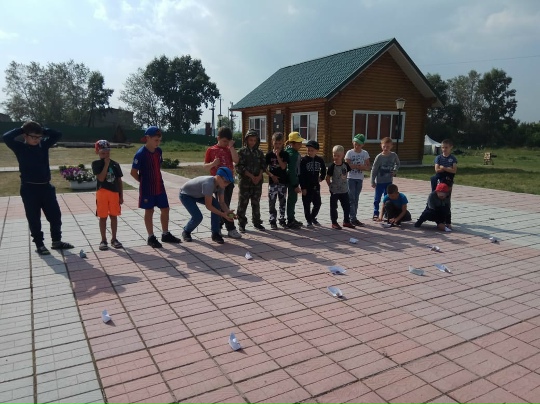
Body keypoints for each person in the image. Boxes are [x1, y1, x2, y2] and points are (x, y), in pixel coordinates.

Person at [3, 121, 74, 255]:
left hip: (46, 188)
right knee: (34, 218)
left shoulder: (43, 145)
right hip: (29, 189)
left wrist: (42, 130)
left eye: (39, 137)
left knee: (55, 216)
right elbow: (6, 137)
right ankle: (39, 244)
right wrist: (22, 129)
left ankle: (56, 241)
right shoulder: (20, 147)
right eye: (33, 137)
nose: (36, 140)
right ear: (25, 136)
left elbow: (57, 134)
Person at [131, 126, 181, 248]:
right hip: (147, 188)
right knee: (149, 210)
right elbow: (133, 172)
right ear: (147, 138)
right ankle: (151, 237)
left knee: (165, 208)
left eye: (159, 140)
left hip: (159, 186)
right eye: (155, 140)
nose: (158, 143)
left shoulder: (159, 151)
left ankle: (165, 234)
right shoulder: (141, 154)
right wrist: (142, 181)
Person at [179, 167, 236, 244]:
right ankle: (186, 231)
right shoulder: (208, 184)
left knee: (216, 205)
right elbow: (208, 206)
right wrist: (222, 214)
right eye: (225, 181)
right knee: (198, 217)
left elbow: (222, 203)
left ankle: (215, 234)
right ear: (218, 177)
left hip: (200, 194)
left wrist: (228, 212)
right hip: (186, 195)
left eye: (229, 182)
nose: (227, 184)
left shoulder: (221, 185)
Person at [204, 126, 242, 239]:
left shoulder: (229, 149)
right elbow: (205, 166)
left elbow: (236, 160)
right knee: (222, 204)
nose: (226, 143)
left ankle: (219, 226)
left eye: (228, 141)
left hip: (228, 183)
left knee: (224, 204)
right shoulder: (211, 150)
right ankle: (230, 228)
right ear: (218, 138)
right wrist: (213, 164)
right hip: (216, 183)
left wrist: (231, 147)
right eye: (224, 141)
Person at [92, 140, 124, 251]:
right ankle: (103, 240)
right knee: (103, 217)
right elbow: (101, 178)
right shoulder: (96, 164)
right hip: (102, 193)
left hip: (114, 193)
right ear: (97, 152)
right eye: (103, 153)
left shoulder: (115, 164)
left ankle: (114, 239)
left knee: (114, 216)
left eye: (107, 152)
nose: (106, 155)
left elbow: (119, 181)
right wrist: (106, 164)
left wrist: (121, 196)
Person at [236, 129, 267, 232]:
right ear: (246, 140)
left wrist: (259, 176)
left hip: (257, 182)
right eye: (250, 140)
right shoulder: (241, 152)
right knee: (243, 203)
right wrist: (251, 176)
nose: (252, 142)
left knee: (256, 202)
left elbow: (263, 165)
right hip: (245, 182)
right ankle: (242, 223)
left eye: (254, 140)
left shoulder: (259, 152)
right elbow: (239, 166)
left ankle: (257, 222)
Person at [370, 137, 400, 221]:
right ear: (381, 146)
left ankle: (387, 213)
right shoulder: (379, 157)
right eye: (384, 146)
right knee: (377, 198)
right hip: (380, 182)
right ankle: (376, 213)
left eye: (388, 146)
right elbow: (374, 169)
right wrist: (372, 181)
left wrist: (395, 170)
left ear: (391, 146)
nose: (386, 148)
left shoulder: (393, 155)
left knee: (388, 198)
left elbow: (397, 163)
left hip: (389, 182)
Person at [326, 145, 355, 230]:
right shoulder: (332, 166)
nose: (336, 157)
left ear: (342, 155)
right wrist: (330, 185)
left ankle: (346, 221)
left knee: (346, 206)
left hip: (344, 190)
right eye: (334, 155)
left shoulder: (345, 165)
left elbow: (346, 174)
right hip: (335, 190)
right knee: (334, 207)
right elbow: (327, 178)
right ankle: (334, 222)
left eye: (338, 156)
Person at [300, 140, 326, 228]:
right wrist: (303, 187)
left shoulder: (320, 160)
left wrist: (321, 177)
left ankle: (312, 217)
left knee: (318, 203)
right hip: (307, 186)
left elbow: (324, 170)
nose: (310, 152)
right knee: (306, 204)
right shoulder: (304, 160)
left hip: (316, 186)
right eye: (308, 150)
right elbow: (301, 175)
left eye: (312, 150)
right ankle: (308, 220)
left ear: (316, 150)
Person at [345, 133, 370, 227]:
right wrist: (355, 166)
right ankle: (352, 218)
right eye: (355, 144)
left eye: (359, 145)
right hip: (351, 178)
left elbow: (368, 166)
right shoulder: (350, 153)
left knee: (356, 198)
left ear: (363, 145)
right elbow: (346, 165)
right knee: (351, 198)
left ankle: (353, 217)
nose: (357, 146)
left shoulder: (365, 153)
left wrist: (362, 167)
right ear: (353, 143)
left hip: (359, 178)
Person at [265, 132, 289, 230]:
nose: (277, 145)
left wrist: (278, 156)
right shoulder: (269, 154)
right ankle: (272, 220)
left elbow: (283, 167)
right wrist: (272, 175)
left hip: (282, 182)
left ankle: (282, 219)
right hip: (272, 182)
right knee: (272, 202)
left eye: (279, 143)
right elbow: (264, 168)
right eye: (276, 143)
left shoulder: (285, 154)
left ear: (282, 143)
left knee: (282, 201)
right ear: (272, 142)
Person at [285, 132, 305, 229]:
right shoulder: (292, 154)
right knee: (292, 199)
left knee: (292, 199)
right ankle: (290, 220)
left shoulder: (292, 151)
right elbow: (292, 170)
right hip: (292, 180)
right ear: (292, 143)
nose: (300, 144)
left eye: (301, 142)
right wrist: (295, 185)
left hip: (292, 179)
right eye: (298, 143)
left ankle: (291, 218)